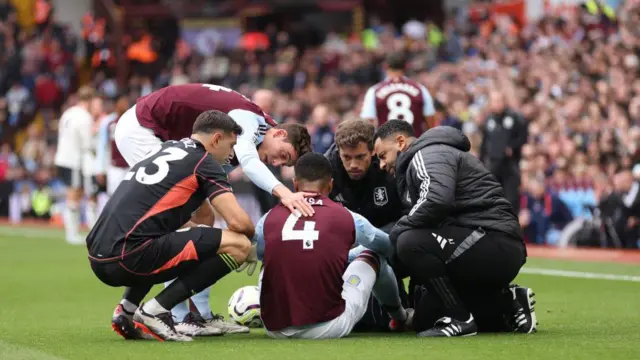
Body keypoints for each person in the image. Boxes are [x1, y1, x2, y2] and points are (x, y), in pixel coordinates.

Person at [114, 83, 313, 334]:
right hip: (143, 128)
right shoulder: (248, 120)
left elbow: (213, 187)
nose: (276, 163)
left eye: (284, 163)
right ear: (279, 134)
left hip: (156, 132)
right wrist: (285, 193)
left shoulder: (244, 139)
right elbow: (250, 164)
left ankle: (193, 315)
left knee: (203, 217)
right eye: (282, 155)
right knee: (174, 222)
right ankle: (168, 314)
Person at [87, 111, 257, 342]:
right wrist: (254, 245)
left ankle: (126, 311)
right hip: (128, 258)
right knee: (239, 245)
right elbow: (238, 222)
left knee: (162, 234)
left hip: (98, 257)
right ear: (216, 139)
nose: (231, 154)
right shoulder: (203, 162)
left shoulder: (165, 148)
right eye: (231, 145)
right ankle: (155, 310)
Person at [373, 120, 537, 337]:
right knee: (425, 318)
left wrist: (393, 237)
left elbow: (436, 200)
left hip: (493, 239)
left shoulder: (427, 154)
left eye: (383, 155)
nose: (382, 165)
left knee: (408, 242)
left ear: (401, 142)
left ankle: (460, 320)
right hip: (478, 242)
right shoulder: (424, 160)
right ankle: (508, 303)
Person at [254, 153, 411, 339]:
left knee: (272, 259)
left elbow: (261, 254)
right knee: (373, 254)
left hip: (274, 330)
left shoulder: (267, 219)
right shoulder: (348, 217)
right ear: (330, 184)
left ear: (295, 184)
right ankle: (400, 317)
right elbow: (385, 247)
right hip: (328, 327)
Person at [325, 119, 409, 331]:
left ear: (373, 151)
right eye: (346, 157)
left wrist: (374, 241)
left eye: (360, 157)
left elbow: (410, 216)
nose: (353, 164)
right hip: (343, 250)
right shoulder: (326, 171)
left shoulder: (391, 167)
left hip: (390, 243)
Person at [54, 86, 101, 245]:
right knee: (75, 194)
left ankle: (72, 232)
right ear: (89, 101)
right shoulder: (85, 117)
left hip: (62, 156)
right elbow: (87, 144)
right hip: (74, 159)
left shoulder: (68, 113)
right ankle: (72, 233)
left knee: (75, 193)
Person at [360, 51, 436, 135]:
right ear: (406, 66)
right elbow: (430, 118)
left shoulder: (374, 91)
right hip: (414, 143)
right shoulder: (420, 89)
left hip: (387, 144)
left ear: (385, 66)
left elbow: (367, 121)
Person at [479, 90, 528, 214]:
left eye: (500, 101)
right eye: (495, 101)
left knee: (511, 200)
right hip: (493, 165)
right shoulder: (488, 121)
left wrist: (512, 147)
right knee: (492, 198)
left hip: (510, 166)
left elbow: (523, 137)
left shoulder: (514, 118)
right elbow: (484, 144)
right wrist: (480, 163)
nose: (497, 104)